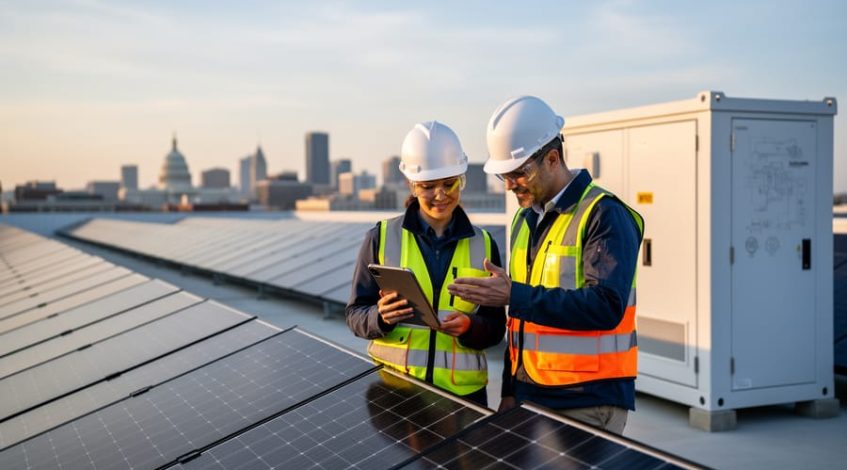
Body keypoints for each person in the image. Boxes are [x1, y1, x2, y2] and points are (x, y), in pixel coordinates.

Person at [447, 96, 644, 434]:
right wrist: (510, 390)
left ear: (552, 158)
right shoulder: (524, 220)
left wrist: (514, 294)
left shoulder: (603, 214)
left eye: (518, 174)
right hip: (531, 393)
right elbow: (520, 321)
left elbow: (606, 306)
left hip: (586, 399)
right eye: (503, 176)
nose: (509, 185)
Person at [346, 120, 506, 406]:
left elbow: (495, 328)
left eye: (449, 183)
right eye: (428, 186)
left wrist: (471, 326)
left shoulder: (484, 245)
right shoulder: (380, 238)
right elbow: (355, 314)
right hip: (394, 395)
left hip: (463, 399)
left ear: (462, 179)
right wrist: (380, 317)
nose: (441, 195)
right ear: (412, 184)